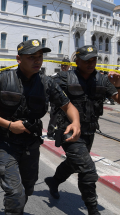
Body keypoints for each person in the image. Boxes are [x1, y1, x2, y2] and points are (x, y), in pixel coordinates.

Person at [0, 39, 81, 215]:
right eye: (32, 57)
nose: (37, 61)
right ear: (19, 59)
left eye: (40, 57)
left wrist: (76, 121)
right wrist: (10, 125)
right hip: (5, 142)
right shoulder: (2, 79)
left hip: (30, 143)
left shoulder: (47, 83)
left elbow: (68, 106)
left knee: (28, 188)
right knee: (15, 192)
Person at [45, 45, 120, 215]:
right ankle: (93, 210)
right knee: (87, 169)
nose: (91, 63)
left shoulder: (102, 80)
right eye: (87, 60)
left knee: (75, 164)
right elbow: (44, 90)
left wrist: (119, 85)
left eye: (94, 60)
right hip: (68, 130)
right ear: (77, 61)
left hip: (89, 132)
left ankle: (54, 181)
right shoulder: (64, 78)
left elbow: (118, 99)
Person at [47, 57, 71, 139]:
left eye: (65, 65)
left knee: (66, 118)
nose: (63, 67)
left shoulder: (72, 77)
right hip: (56, 101)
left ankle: (62, 133)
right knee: (54, 117)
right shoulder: (56, 76)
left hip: (67, 101)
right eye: (62, 65)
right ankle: (50, 133)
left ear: (69, 66)